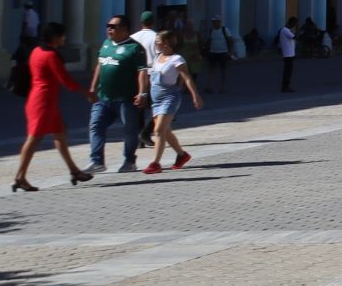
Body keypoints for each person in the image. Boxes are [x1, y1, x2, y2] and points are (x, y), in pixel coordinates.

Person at [11, 22, 89, 192]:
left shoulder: (36, 51)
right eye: (62, 35)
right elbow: (66, 81)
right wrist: (87, 92)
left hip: (40, 99)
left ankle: (74, 171)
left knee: (60, 134)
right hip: (43, 103)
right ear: (55, 37)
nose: (64, 38)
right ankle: (20, 177)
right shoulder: (51, 56)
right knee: (33, 139)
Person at [87, 14, 150, 173]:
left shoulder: (135, 48)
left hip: (126, 99)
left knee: (130, 130)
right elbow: (100, 66)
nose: (109, 29)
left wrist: (142, 93)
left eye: (113, 26)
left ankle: (129, 161)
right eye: (108, 25)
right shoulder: (106, 44)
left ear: (125, 30)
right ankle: (97, 161)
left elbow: (142, 72)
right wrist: (92, 87)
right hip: (104, 98)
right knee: (95, 125)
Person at [142, 25, 205, 174]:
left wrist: (195, 95)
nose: (155, 43)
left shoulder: (177, 59)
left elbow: (187, 78)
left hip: (169, 98)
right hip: (156, 100)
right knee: (166, 131)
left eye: (157, 41)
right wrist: (143, 93)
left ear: (166, 43)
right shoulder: (158, 57)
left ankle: (155, 163)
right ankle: (182, 155)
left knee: (158, 130)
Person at [203, 16, 231, 94]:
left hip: (223, 52)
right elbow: (209, 40)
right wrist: (206, 49)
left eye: (215, 21)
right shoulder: (211, 30)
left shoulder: (225, 30)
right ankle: (210, 86)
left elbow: (230, 41)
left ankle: (222, 87)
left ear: (219, 22)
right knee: (211, 69)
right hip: (213, 52)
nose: (214, 23)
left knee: (223, 70)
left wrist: (229, 52)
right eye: (213, 22)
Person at [278, 17, 299, 93]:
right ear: (291, 23)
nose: (294, 26)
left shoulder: (286, 30)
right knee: (287, 71)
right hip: (288, 54)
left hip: (290, 54)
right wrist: (298, 30)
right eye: (294, 24)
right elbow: (295, 37)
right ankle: (285, 87)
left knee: (289, 71)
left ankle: (286, 86)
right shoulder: (285, 30)